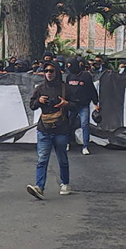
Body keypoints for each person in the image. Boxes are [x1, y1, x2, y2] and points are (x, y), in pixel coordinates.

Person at [26, 61, 75, 200]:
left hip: (61, 129)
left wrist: (66, 104)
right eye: (46, 70)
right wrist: (39, 101)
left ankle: (65, 183)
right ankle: (39, 187)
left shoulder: (66, 88)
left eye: (51, 70)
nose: (48, 73)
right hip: (44, 128)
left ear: (57, 72)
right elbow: (32, 105)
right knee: (42, 159)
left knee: (62, 159)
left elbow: (76, 106)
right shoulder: (40, 88)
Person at [65, 58, 100, 155]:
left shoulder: (86, 76)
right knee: (68, 124)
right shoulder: (69, 76)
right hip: (71, 104)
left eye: (70, 65)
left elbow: (92, 90)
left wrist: (95, 103)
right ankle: (67, 142)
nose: (69, 68)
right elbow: (66, 90)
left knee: (85, 124)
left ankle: (85, 146)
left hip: (83, 104)